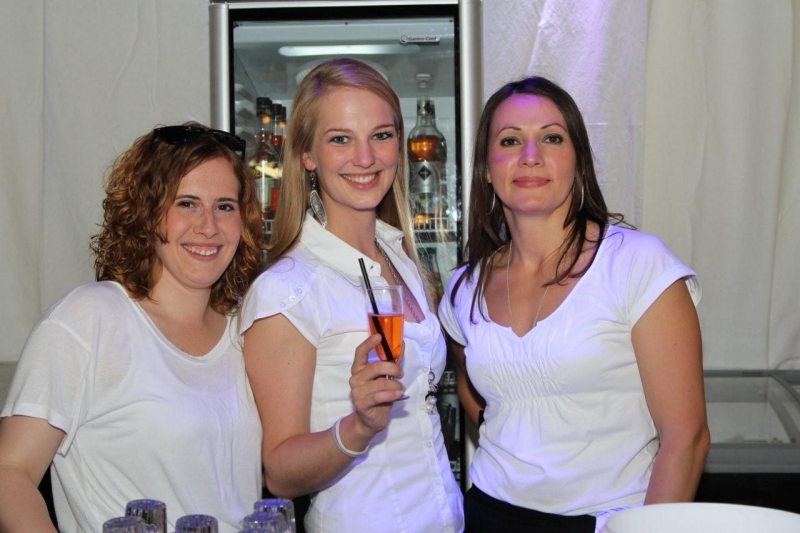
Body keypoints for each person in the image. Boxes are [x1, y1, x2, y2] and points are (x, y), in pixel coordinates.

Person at [438, 76, 710, 533]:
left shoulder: (637, 264)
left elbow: (688, 438)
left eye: (551, 138)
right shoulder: (464, 287)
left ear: (578, 161)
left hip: (608, 521)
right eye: (510, 141)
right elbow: (473, 390)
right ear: (486, 168)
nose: (530, 156)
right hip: (488, 514)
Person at [0, 122, 264, 532]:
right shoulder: (90, 319)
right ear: (145, 212)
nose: (208, 226)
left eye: (225, 206)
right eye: (187, 203)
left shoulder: (245, 328)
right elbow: (10, 472)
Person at [240, 58, 463, 533]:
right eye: (340, 139)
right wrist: (358, 426)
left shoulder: (400, 258)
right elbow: (279, 471)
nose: (365, 158)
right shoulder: (287, 290)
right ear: (307, 155)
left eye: (381, 135)